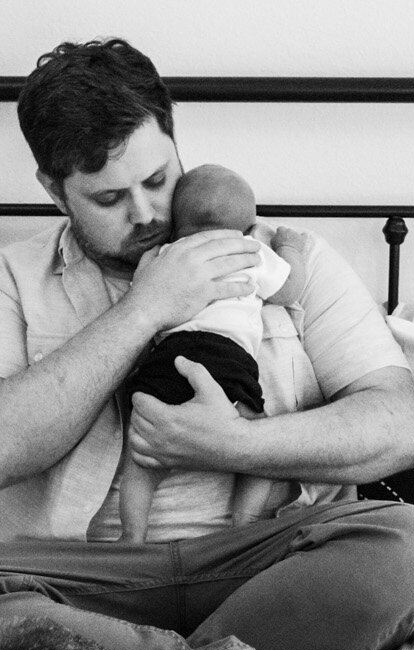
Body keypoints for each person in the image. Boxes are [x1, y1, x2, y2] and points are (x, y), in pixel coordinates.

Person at [0, 38, 414, 650]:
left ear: (174, 137)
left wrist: (240, 443)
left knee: (413, 542)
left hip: (263, 567)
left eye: (158, 178)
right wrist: (145, 308)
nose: (146, 213)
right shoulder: (3, 280)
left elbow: (402, 427)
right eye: (109, 197)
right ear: (52, 189)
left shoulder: (284, 259)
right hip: (81, 582)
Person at [114, 162, 286, 543]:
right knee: (265, 451)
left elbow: (142, 293)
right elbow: (289, 291)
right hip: (227, 361)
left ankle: (132, 535)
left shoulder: (165, 256)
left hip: (168, 357)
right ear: (249, 225)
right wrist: (285, 250)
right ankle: (243, 528)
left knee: (140, 461)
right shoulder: (249, 251)